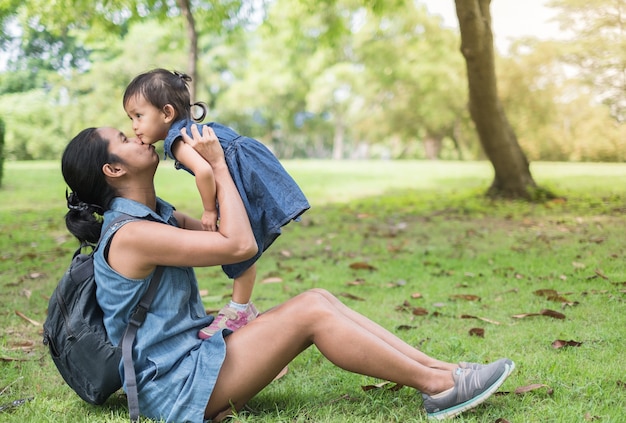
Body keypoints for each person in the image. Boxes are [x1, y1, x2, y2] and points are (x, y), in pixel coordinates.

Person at [61, 124, 515, 422]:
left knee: (316, 298)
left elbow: (234, 237)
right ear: (113, 168)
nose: (140, 135)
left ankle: (446, 371)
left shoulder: (156, 215)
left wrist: (223, 167)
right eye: (125, 137)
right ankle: (439, 387)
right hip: (176, 389)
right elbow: (237, 245)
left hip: (195, 358)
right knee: (310, 315)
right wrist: (217, 165)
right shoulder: (131, 235)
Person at [122, 68, 310, 338]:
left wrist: (210, 209)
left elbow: (204, 171)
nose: (134, 126)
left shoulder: (176, 140)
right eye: (131, 118)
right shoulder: (189, 129)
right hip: (246, 168)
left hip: (238, 176)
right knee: (245, 242)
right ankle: (240, 306)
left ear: (166, 113)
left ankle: (239, 309)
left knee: (239, 243)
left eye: (139, 116)